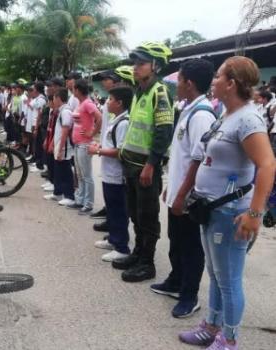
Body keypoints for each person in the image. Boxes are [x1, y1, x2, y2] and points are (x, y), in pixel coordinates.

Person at [179, 56, 276, 350]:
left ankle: (229, 339)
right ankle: (211, 326)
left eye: (219, 76)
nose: (214, 80)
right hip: (211, 209)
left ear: (231, 83)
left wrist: (255, 213)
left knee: (229, 279)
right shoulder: (227, 114)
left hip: (231, 212)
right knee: (216, 273)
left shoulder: (248, 118)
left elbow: (268, 164)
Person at [151, 59, 217, 318]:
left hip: (189, 197)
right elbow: (182, 155)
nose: (175, 85)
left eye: (178, 81)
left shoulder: (201, 115)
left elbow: (199, 160)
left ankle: (189, 296)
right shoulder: (189, 109)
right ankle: (175, 281)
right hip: (178, 190)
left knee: (191, 247)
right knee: (176, 241)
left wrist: (182, 194)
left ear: (189, 84)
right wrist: (172, 186)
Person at [114, 42, 174, 283]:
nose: (135, 68)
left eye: (140, 64)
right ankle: (138, 254)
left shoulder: (160, 92)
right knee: (134, 214)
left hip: (145, 168)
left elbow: (163, 132)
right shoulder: (140, 90)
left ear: (156, 66)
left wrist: (151, 165)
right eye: (134, 63)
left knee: (147, 216)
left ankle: (147, 263)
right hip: (130, 164)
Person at [88, 87, 132, 262]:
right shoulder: (116, 120)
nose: (107, 102)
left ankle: (122, 247)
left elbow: (120, 151)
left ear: (120, 103)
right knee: (112, 210)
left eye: (111, 99)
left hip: (117, 175)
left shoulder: (124, 123)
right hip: (109, 174)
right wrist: (100, 148)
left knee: (118, 211)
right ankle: (113, 239)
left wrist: (99, 152)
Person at [91, 66, 135, 230]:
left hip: (115, 161)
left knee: (118, 202)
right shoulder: (112, 104)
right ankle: (112, 225)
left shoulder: (123, 109)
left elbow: (120, 147)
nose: (103, 82)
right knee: (112, 198)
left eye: (107, 79)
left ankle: (117, 233)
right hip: (107, 147)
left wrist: (99, 150)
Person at [68, 79, 101, 214]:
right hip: (78, 143)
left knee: (86, 175)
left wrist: (92, 132)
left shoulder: (88, 103)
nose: (72, 91)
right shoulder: (80, 103)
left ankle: (88, 204)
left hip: (84, 143)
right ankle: (80, 200)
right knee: (80, 174)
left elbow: (99, 117)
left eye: (74, 89)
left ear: (78, 90)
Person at [44, 87, 75, 206]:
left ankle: (69, 196)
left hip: (64, 146)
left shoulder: (66, 111)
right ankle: (58, 192)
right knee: (58, 170)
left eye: (55, 97)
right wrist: (53, 143)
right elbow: (57, 131)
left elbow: (65, 131)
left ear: (59, 98)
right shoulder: (61, 111)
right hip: (58, 144)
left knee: (65, 171)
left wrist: (61, 148)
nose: (53, 100)